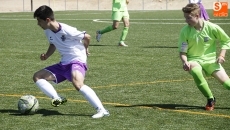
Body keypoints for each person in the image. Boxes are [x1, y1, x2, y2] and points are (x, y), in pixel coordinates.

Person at [33, 5, 109, 118]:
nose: (38, 24)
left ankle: (102, 110)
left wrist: (86, 48)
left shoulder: (67, 30)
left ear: (47, 20)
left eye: (39, 21)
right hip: (64, 62)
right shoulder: (48, 31)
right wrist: (47, 55)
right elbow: (53, 43)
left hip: (77, 59)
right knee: (37, 76)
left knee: (77, 83)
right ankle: (57, 98)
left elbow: (87, 37)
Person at [178, 3, 230, 111]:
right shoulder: (185, 31)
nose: (186, 20)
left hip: (211, 61)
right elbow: (182, 52)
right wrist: (185, 62)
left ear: (197, 16)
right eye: (185, 18)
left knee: (227, 84)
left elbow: (226, 40)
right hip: (194, 60)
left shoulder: (212, 27)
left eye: (188, 18)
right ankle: (210, 99)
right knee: (196, 71)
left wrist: (221, 55)